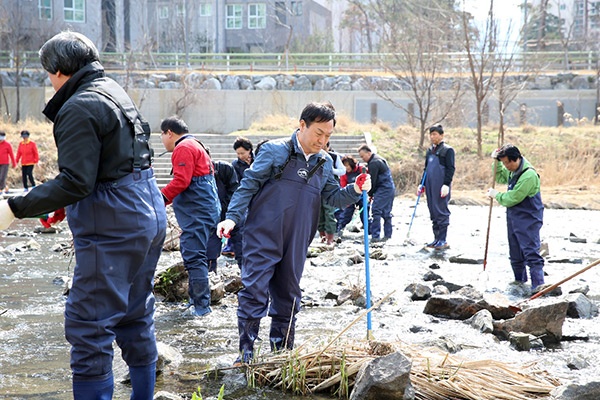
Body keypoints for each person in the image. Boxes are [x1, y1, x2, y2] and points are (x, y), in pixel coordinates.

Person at [0, 31, 166, 399]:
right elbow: (110, 165)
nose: (49, 81)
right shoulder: (113, 90)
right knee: (136, 315)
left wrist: (14, 208)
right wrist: (64, 201)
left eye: (48, 73)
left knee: (89, 325)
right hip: (147, 209)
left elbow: (76, 181)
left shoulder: (77, 105)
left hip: (114, 221)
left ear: (59, 70)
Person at [216, 102, 371, 365]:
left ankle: (281, 354)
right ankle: (246, 353)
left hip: (298, 238)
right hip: (262, 234)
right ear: (302, 125)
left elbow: (333, 198)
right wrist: (231, 218)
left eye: (328, 136)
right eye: (318, 133)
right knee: (254, 291)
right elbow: (248, 185)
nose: (322, 141)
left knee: (289, 294)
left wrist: (356, 190)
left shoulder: (323, 162)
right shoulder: (275, 151)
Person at [160, 116, 220, 317]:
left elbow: (181, 181)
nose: (162, 139)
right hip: (206, 209)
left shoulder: (183, 148)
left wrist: (159, 199)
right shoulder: (196, 144)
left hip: (197, 212)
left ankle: (201, 309)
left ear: (169, 132)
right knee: (198, 256)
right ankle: (196, 302)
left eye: (162, 134)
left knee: (194, 257)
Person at [486, 144, 545, 291]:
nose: (506, 166)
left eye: (507, 162)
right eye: (504, 163)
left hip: (529, 218)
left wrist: (497, 195)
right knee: (515, 253)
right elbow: (499, 177)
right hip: (514, 218)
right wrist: (496, 163)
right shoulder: (512, 170)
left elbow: (513, 198)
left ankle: (538, 286)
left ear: (516, 159)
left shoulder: (528, 175)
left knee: (531, 251)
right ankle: (519, 284)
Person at [418, 124, 455, 250]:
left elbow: (451, 169)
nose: (432, 137)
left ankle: (443, 240)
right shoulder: (429, 151)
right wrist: (421, 184)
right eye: (431, 134)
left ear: (441, 135)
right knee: (433, 211)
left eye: (435, 134)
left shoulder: (447, 150)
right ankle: (436, 239)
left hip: (441, 185)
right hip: (429, 184)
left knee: (441, 211)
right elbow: (426, 168)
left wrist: (446, 184)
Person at [206, 157, 241, 272]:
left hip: (232, 213)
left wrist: (225, 210)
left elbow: (235, 192)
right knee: (209, 253)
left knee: (242, 249)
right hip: (210, 217)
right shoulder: (195, 173)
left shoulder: (224, 169)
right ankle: (210, 278)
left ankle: (249, 281)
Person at [358, 144, 395, 242]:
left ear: (369, 153)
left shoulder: (374, 162)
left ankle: (375, 236)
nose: (362, 159)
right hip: (389, 187)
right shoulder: (379, 159)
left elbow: (372, 181)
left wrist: (370, 194)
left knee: (376, 210)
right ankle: (388, 235)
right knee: (386, 212)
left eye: (363, 156)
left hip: (383, 188)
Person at [317, 142, 345, 245]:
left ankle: (330, 239)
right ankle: (322, 236)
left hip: (330, 189)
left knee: (329, 213)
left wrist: (330, 170)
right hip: (317, 188)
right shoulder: (314, 155)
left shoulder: (333, 156)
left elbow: (343, 171)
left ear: (328, 146)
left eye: (324, 146)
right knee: (319, 213)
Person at [336, 155, 368, 234]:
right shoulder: (344, 174)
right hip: (350, 196)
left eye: (347, 165)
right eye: (344, 166)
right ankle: (338, 231)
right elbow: (343, 186)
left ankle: (370, 233)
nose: (346, 168)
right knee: (346, 215)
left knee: (365, 215)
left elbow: (367, 180)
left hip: (362, 195)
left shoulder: (361, 169)